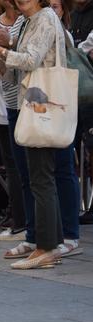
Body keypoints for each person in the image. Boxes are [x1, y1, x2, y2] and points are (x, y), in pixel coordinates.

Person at [0, 0, 76, 269]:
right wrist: (6, 44)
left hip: (42, 105)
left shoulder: (45, 18)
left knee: (42, 178)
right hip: (34, 104)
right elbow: (26, 55)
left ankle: (47, 247)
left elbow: (31, 60)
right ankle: (45, 243)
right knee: (37, 177)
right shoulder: (31, 20)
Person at [0, 0, 27, 241]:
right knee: (11, 167)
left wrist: (5, 45)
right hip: (2, 106)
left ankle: (28, 225)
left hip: (25, 103)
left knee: (27, 167)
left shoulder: (26, 21)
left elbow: (27, 59)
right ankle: (18, 221)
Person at [71, 0, 93, 224]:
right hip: (78, 92)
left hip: (90, 88)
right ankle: (84, 204)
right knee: (80, 150)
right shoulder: (75, 15)